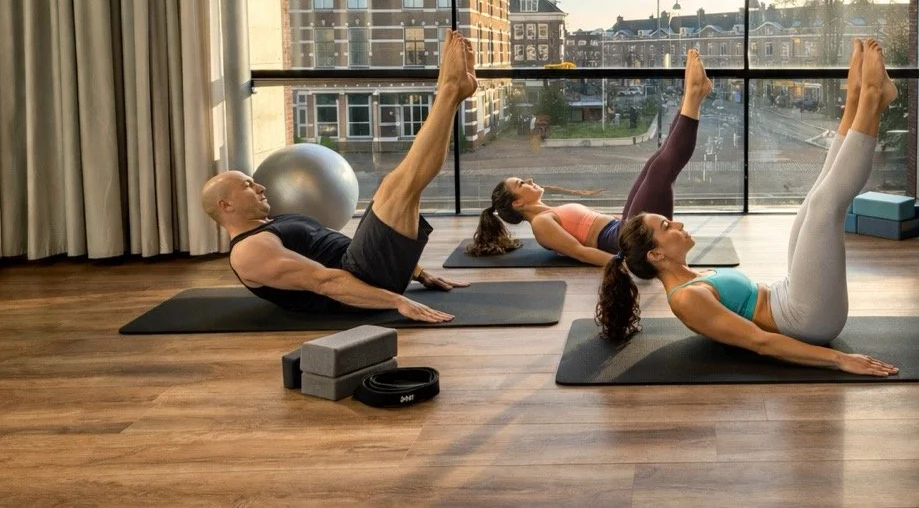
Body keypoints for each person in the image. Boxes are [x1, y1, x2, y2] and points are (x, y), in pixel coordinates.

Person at [596, 38, 900, 377]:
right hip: (806, 320)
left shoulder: (691, 278)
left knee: (817, 193)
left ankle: (857, 100)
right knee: (824, 206)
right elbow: (760, 342)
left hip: (789, 297)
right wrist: (840, 359)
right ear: (655, 255)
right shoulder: (685, 300)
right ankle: (873, 97)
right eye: (666, 227)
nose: (678, 225)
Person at [200, 30, 476, 322]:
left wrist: (418, 272)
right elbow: (324, 282)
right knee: (401, 185)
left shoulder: (269, 226)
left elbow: (332, 248)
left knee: (401, 186)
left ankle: (452, 93)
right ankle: (449, 92)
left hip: (360, 267)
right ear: (225, 205)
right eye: (247, 185)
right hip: (359, 284)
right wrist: (398, 301)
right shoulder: (249, 252)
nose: (260, 186)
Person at [469, 49, 713, 266]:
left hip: (620, 228)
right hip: (624, 243)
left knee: (655, 162)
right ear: (517, 203)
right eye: (520, 184)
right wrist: (623, 265)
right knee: (661, 170)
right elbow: (581, 251)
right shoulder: (541, 224)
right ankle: (693, 95)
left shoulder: (548, 212)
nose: (528, 179)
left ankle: (690, 96)